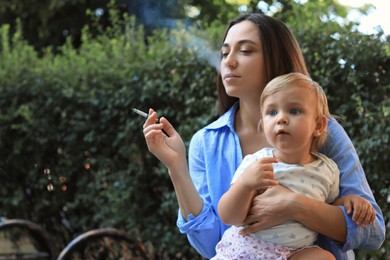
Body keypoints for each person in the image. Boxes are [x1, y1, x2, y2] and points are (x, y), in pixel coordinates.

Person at [142, 13, 385, 259]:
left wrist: (294, 205)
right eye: (225, 53)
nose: (229, 62)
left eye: (245, 51)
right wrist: (176, 166)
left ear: (275, 58)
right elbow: (211, 244)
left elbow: (373, 230)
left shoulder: (322, 130)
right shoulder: (206, 142)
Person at [212, 72, 376, 260]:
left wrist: (349, 202)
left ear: (319, 125)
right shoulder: (257, 163)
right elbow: (228, 216)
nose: (281, 118)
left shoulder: (327, 170)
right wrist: (245, 184)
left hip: (293, 253)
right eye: (272, 112)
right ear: (263, 123)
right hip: (244, 248)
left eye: (294, 111)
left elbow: (328, 205)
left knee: (325, 258)